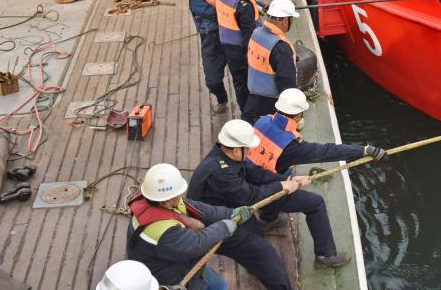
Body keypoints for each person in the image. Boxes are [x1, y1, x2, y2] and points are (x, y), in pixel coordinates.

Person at [189, 120, 353, 270]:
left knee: (314, 203)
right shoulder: (221, 172)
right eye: (248, 148)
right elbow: (252, 197)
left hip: (236, 198)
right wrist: (282, 185)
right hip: (220, 215)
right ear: (237, 150)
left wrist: (287, 179)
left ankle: (322, 254)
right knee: (259, 247)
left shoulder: (224, 152)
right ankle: (265, 267)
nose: (251, 150)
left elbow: (254, 172)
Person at [126, 163, 291, 290]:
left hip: (176, 262)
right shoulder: (163, 233)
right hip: (168, 276)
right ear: (166, 201)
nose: (181, 196)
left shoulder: (160, 202)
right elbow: (199, 243)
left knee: (220, 286)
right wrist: (226, 226)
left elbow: (201, 210)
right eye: (177, 194)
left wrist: (231, 213)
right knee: (219, 287)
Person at [248, 88, 387, 178]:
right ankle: (270, 211)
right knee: (314, 202)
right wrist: (364, 150)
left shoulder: (262, 120)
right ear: (298, 115)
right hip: (265, 182)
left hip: (246, 170)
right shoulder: (293, 146)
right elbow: (327, 151)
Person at [241, 0, 298, 124]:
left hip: (253, 93)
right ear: (285, 21)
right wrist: (292, 111)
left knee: (249, 122)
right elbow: (286, 82)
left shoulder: (256, 33)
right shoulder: (282, 48)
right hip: (271, 101)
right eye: (291, 19)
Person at [216, 0, 263, 111]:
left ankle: (244, 110)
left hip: (227, 45)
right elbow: (249, 33)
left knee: (238, 82)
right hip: (241, 49)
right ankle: (250, 113)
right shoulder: (243, 4)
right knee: (248, 81)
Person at [189, 0, 228, 113]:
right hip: (212, 42)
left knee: (243, 74)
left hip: (231, 38)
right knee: (213, 81)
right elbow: (216, 13)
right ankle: (222, 98)